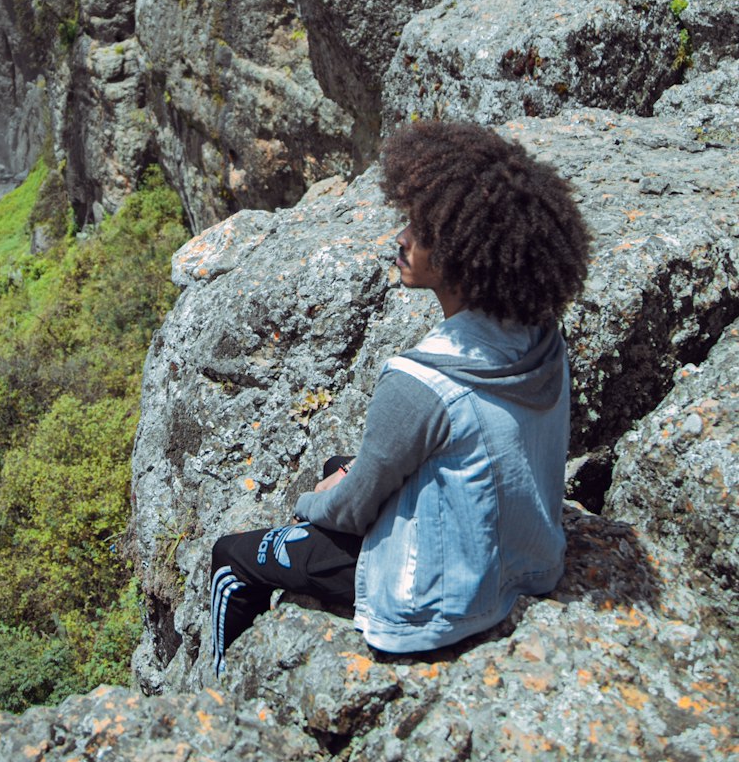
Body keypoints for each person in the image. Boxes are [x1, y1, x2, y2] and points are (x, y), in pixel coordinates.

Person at [210, 120, 590, 677]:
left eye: (424, 229)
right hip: (531, 557)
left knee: (231, 558)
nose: (402, 238)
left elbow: (351, 510)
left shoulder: (422, 381)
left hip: (438, 600)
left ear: (465, 254)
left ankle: (219, 698)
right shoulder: (539, 336)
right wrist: (348, 477)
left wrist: (312, 504)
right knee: (342, 464)